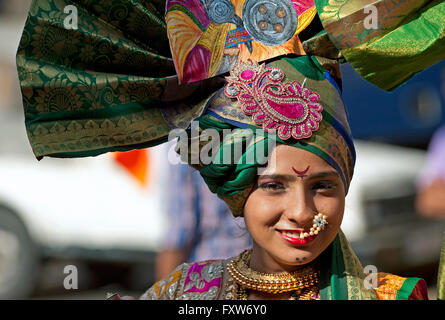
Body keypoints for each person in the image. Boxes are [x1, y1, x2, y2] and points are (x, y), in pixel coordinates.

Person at [16, 0, 443, 300]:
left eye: (324, 186)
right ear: (236, 193)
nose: (301, 211)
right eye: (274, 185)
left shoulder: (393, 296)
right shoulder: (181, 293)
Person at [155, 151, 251, 280]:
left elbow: (179, 235)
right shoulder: (263, 135)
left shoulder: (183, 141)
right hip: (257, 274)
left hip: (208, 278)